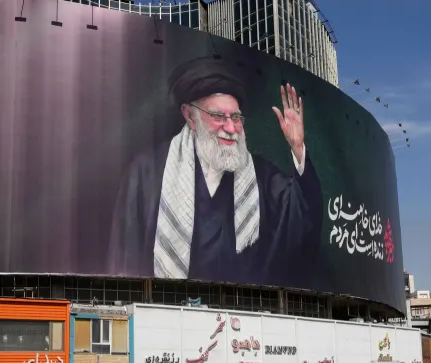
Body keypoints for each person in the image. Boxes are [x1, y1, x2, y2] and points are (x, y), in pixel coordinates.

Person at [108, 56, 323, 287]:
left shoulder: (262, 177)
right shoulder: (145, 175)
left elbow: (303, 215)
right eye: (219, 117)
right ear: (190, 116)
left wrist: (298, 147)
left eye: (236, 118)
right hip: (166, 308)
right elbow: (125, 261)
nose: (231, 128)